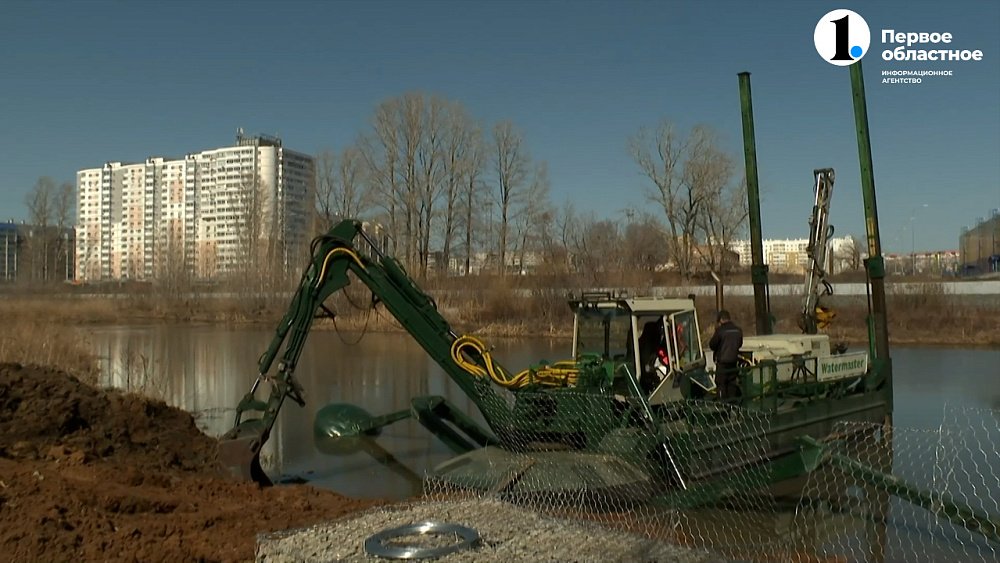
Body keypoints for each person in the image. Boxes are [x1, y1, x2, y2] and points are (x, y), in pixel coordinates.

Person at [709, 310, 743, 400]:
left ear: (720, 320)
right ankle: (733, 404)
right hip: (733, 361)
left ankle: (722, 405)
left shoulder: (720, 331)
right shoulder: (738, 330)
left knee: (721, 384)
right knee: (732, 383)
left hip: (722, 362)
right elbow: (739, 344)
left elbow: (712, 344)